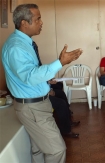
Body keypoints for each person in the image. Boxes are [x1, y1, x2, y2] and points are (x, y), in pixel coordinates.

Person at [1, 4, 82, 163]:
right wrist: (60, 62)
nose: (41, 22)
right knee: (57, 149)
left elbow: (30, 72)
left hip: (36, 104)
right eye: (38, 19)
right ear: (24, 23)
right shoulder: (16, 47)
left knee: (38, 149)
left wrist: (45, 79)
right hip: (33, 108)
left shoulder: (23, 42)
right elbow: (29, 77)